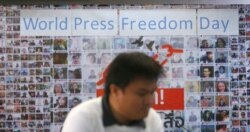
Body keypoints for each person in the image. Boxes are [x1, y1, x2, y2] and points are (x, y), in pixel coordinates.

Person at [62, 52, 164, 132]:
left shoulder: (152, 119)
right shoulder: (83, 117)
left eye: (152, 93)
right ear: (115, 90)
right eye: (141, 94)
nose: (149, 101)